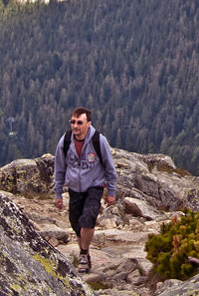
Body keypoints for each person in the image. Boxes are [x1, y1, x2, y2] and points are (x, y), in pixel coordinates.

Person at [53, 107, 118, 274]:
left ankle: (83, 254)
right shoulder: (66, 141)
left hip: (94, 186)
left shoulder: (98, 140)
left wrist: (111, 192)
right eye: (73, 122)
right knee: (76, 223)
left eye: (79, 122)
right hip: (74, 188)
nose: (75, 126)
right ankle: (86, 251)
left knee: (88, 219)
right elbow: (59, 168)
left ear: (88, 123)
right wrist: (58, 194)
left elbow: (110, 168)